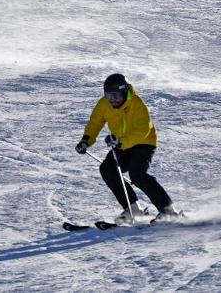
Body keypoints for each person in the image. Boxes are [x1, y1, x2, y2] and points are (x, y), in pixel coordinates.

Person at [75, 73, 181, 223]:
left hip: (144, 142)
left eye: (116, 95)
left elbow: (143, 130)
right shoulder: (104, 104)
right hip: (120, 144)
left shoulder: (137, 104)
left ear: (125, 92)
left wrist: (120, 142)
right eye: (108, 96)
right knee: (107, 169)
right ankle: (133, 208)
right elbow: (95, 124)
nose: (112, 100)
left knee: (137, 174)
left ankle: (168, 210)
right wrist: (86, 141)